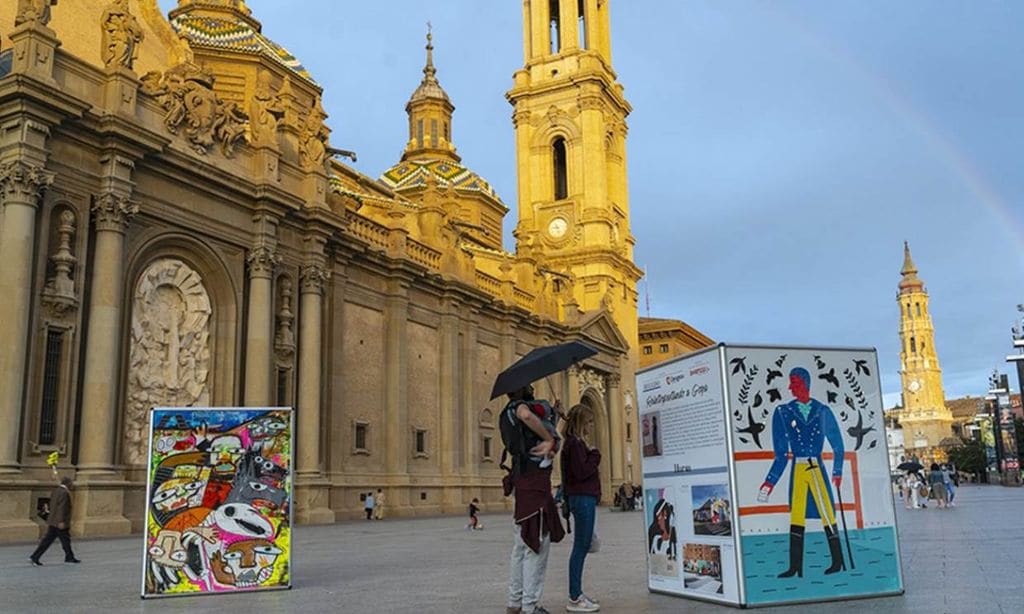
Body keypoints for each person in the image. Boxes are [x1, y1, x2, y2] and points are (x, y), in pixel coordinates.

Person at [757, 367, 845, 577]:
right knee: (796, 516)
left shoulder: (823, 410)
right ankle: (795, 566)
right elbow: (781, 454)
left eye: (794, 382)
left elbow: (838, 445)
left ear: (805, 383)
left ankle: (838, 560)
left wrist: (838, 470)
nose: (790, 387)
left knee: (826, 513)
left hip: (817, 467)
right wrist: (769, 482)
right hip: (798, 468)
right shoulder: (783, 412)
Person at [503, 383, 564, 614]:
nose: (531, 388)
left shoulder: (506, 415)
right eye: (527, 386)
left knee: (520, 547)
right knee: (537, 545)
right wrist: (550, 438)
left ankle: (514, 603)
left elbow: (530, 432)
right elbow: (526, 416)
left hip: (523, 483)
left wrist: (554, 417)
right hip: (534, 487)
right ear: (518, 390)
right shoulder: (518, 407)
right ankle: (530, 606)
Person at [561, 404, 602, 612]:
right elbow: (581, 471)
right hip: (583, 499)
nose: (591, 426)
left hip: (581, 498)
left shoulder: (573, 444)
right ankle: (575, 597)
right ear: (581, 423)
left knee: (582, 546)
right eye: (589, 422)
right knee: (580, 547)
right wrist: (595, 455)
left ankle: (577, 593)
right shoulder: (575, 444)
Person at [30, 476, 80, 565]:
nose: (72, 484)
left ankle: (69, 556)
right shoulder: (64, 493)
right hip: (59, 522)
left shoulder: (56, 491)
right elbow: (62, 508)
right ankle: (35, 557)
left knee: (55, 540)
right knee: (62, 540)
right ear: (68, 483)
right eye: (71, 483)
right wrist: (61, 521)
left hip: (53, 521)